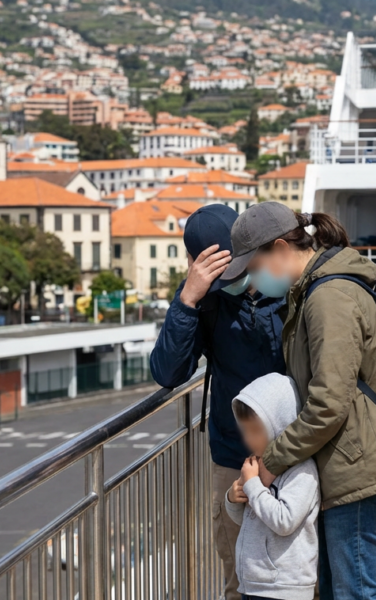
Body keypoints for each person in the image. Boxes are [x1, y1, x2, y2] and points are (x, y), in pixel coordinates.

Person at [219, 202, 376, 600]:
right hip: (345, 465)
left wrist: (271, 464)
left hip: (357, 472)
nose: (255, 280)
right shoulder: (312, 291)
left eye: (254, 267)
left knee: (353, 593)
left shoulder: (329, 298)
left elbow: (329, 402)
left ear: (278, 248)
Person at [149, 205, 287, 600]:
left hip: (299, 453)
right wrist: (187, 302)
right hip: (234, 459)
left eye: (239, 267)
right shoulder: (204, 298)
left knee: (305, 578)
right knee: (241, 580)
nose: (234, 279)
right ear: (197, 263)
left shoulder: (286, 281)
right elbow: (167, 373)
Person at [225, 373, 320, 600]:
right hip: (254, 584)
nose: (249, 439)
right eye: (245, 430)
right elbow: (246, 520)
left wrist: (253, 486)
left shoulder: (302, 470)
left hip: (284, 587)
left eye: (256, 431)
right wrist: (233, 497)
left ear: (279, 424)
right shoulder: (256, 464)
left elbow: (284, 521)